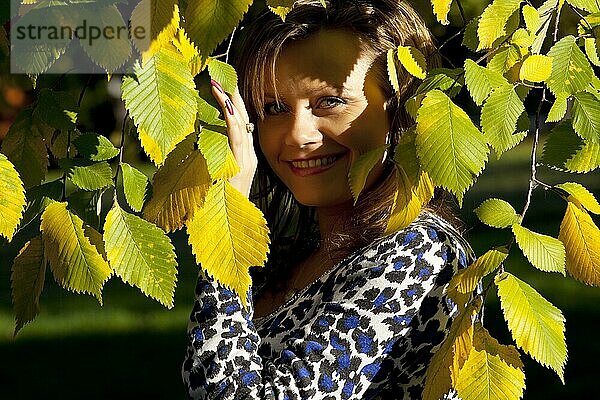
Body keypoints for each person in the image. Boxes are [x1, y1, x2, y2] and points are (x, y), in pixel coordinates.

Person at [182, 1, 475, 398]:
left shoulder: (420, 255)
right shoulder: (292, 255)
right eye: (274, 108)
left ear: (403, 105)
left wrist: (226, 221)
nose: (298, 135)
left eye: (329, 101)